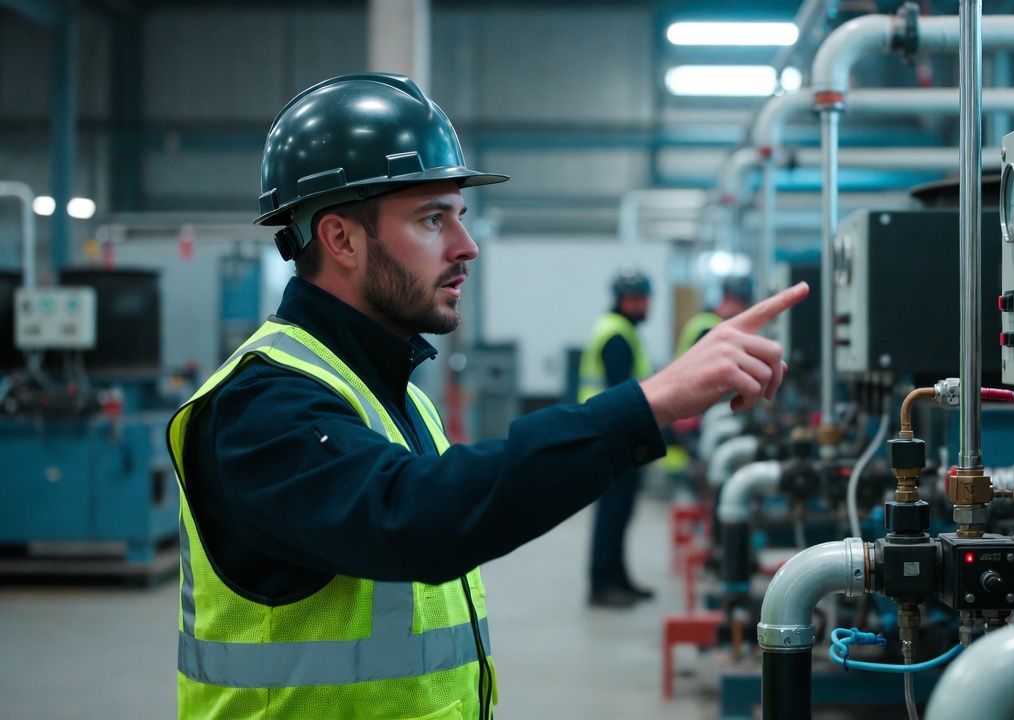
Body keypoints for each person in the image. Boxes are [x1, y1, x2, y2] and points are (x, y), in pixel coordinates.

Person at [166, 72, 807, 720]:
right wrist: (651, 401)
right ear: (341, 239)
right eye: (431, 219)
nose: (466, 247)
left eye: (460, 217)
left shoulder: (395, 396)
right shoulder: (261, 407)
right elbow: (417, 519)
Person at [578, 268, 655, 608]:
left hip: (617, 436)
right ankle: (602, 585)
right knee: (612, 513)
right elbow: (620, 393)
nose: (643, 305)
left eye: (644, 298)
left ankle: (619, 580)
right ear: (623, 299)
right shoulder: (617, 335)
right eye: (637, 298)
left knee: (621, 513)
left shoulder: (623, 330)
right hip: (613, 438)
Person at [675, 276, 754, 357]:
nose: (743, 312)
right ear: (732, 301)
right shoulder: (708, 328)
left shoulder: (704, 319)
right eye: (743, 306)